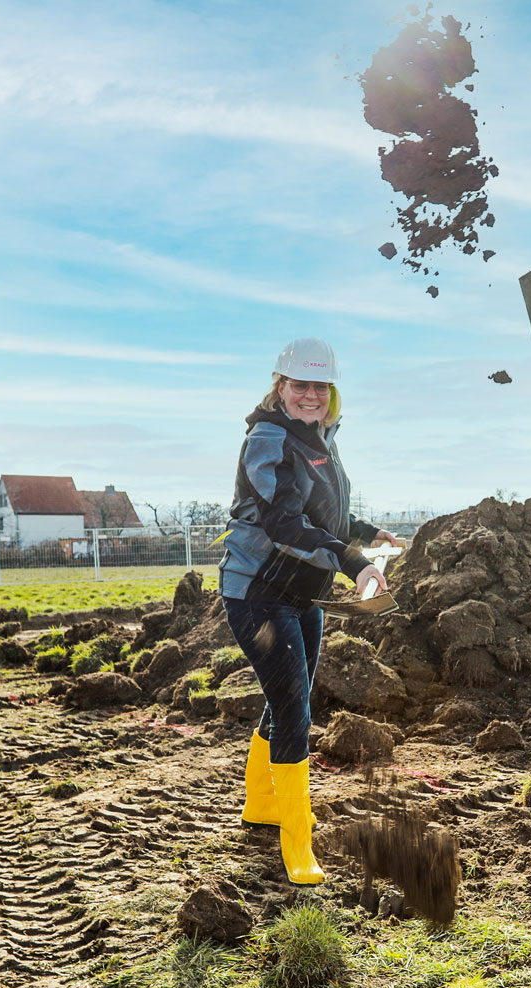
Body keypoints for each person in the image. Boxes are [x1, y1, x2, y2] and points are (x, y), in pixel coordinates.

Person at [219, 338, 403, 884]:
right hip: (258, 592)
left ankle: (262, 805)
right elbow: (283, 524)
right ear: (280, 387)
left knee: (287, 696)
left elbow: (322, 511)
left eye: (320, 386)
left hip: (303, 592)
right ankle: (297, 842)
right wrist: (354, 560)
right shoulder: (269, 439)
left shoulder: (319, 437)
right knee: (294, 703)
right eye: (300, 385)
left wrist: (367, 533)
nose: (310, 395)